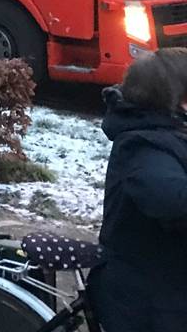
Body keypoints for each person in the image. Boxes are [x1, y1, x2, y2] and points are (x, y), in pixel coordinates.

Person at [91, 48, 187, 332]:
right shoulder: (141, 145)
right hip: (146, 298)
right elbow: (169, 198)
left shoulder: (172, 133)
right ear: (173, 100)